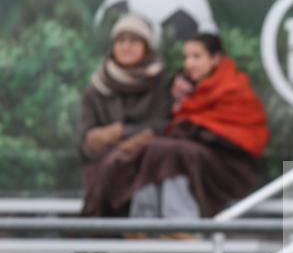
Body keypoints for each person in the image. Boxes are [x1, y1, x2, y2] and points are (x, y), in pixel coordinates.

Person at [127, 33, 268, 220]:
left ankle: (180, 221)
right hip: (197, 158)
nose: (189, 64)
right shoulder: (186, 89)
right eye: (186, 57)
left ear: (215, 58)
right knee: (158, 148)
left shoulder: (234, 86)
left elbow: (243, 134)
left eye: (196, 56)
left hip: (230, 166)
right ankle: (143, 220)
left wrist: (192, 127)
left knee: (174, 152)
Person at [79, 14, 171, 218]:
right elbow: (87, 137)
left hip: (147, 169)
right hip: (103, 166)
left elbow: (160, 125)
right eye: (121, 40)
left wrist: (121, 133)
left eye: (133, 40)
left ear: (146, 46)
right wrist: (109, 140)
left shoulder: (160, 83)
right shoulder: (96, 87)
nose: (126, 47)